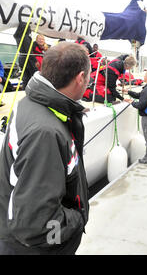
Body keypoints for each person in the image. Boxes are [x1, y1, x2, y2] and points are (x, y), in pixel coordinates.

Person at [0, 42, 91, 254]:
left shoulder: (31, 102)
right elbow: (36, 227)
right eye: (88, 76)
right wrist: (78, 219)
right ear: (80, 78)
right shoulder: (46, 133)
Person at [125, 70, 147, 164]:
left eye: (145, 75)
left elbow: (141, 105)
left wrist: (131, 102)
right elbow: (140, 95)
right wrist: (129, 92)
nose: (143, 77)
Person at [13, 23, 39, 89]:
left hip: (21, 58)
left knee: (25, 77)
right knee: (34, 75)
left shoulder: (18, 37)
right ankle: (33, 90)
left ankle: (25, 90)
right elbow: (29, 51)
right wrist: (35, 61)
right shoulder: (26, 37)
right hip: (28, 59)